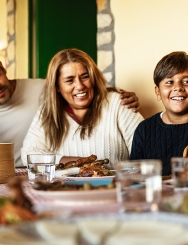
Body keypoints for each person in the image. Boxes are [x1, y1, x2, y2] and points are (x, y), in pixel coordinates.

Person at [0, 61, 140, 167]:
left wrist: (117, 93)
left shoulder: (117, 102)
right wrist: (82, 163)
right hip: (37, 180)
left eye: (85, 77)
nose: (79, 85)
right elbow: (30, 154)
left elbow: (145, 149)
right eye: (69, 80)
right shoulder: (48, 110)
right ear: (57, 87)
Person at [130, 51, 188, 176]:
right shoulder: (144, 129)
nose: (178, 87)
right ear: (158, 92)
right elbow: (134, 175)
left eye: (186, 81)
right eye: (169, 82)